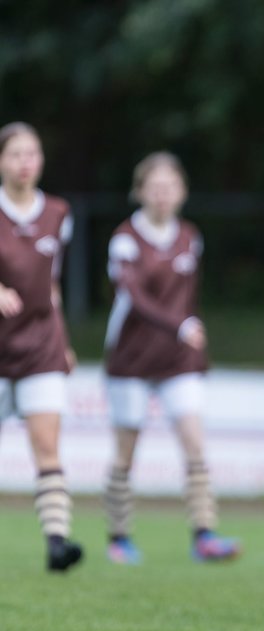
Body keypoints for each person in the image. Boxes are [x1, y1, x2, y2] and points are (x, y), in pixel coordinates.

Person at [102, 152, 241, 564]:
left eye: (170, 187)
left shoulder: (190, 237)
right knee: (127, 450)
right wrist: (180, 325)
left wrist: (193, 338)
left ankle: (204, 533)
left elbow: (187, 299)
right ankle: (119, 536)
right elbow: (136, 297)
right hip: (130, 358)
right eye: (155, 187)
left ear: (182, 192)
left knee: (194, 442)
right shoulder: (125, 239)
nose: (163, 195)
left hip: (179, 359)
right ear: (140, 191)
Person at [0, 121, 83, 572]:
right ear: (1, 161)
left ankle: (57, 543)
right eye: (15, 154)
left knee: (47, 448)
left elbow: (51, 287)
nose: (24, 162)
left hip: (40, 349)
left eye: (32, 153)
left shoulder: (57, 212)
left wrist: (64, 343)